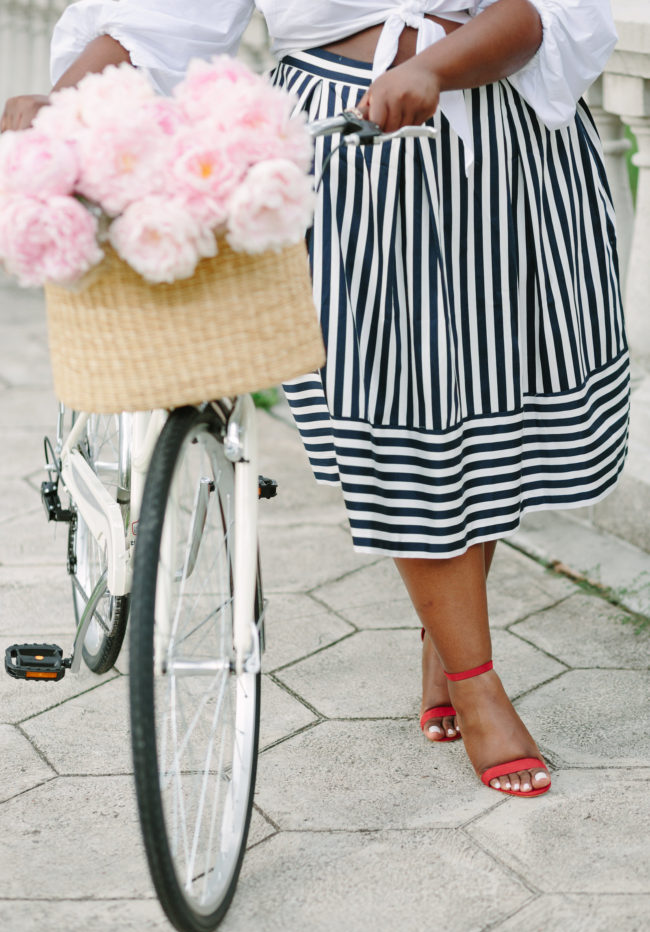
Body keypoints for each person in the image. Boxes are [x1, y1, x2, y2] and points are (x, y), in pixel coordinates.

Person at [1, 0, 629, 798]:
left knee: (488, 398)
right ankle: (476, 680)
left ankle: (445, 637)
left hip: (503, 137)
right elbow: (161, 20)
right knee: (407, 411)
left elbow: (540, 11)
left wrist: (434, 66)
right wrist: (65, 101)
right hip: (353, 141)